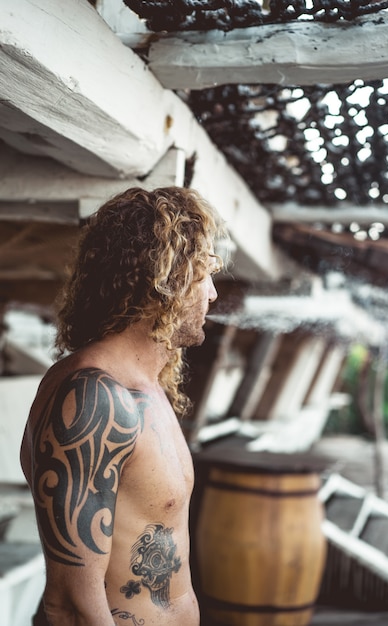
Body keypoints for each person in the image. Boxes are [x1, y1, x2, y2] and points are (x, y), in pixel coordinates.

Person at [20, 186, 228, 626]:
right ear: (165, 276)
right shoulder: (93, 396)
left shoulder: (147, 387)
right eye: (204, 272)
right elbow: (70, 602)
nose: (211, 293)